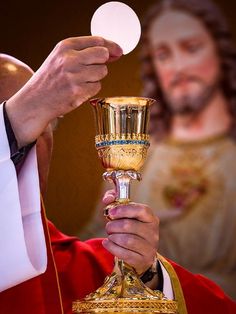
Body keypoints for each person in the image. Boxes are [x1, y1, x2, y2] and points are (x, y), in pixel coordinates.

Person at [0, 45, 235, 314]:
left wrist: (148, 276)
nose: (34, 140)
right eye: (20, 124)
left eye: (47, 120)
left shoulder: (87, 268)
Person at [80, 0, 236, 300]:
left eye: (191, 47)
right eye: (164, 55)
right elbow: (91, 248)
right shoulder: (134, 157)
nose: (178, 67)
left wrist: (159, 275)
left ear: (219, 50)